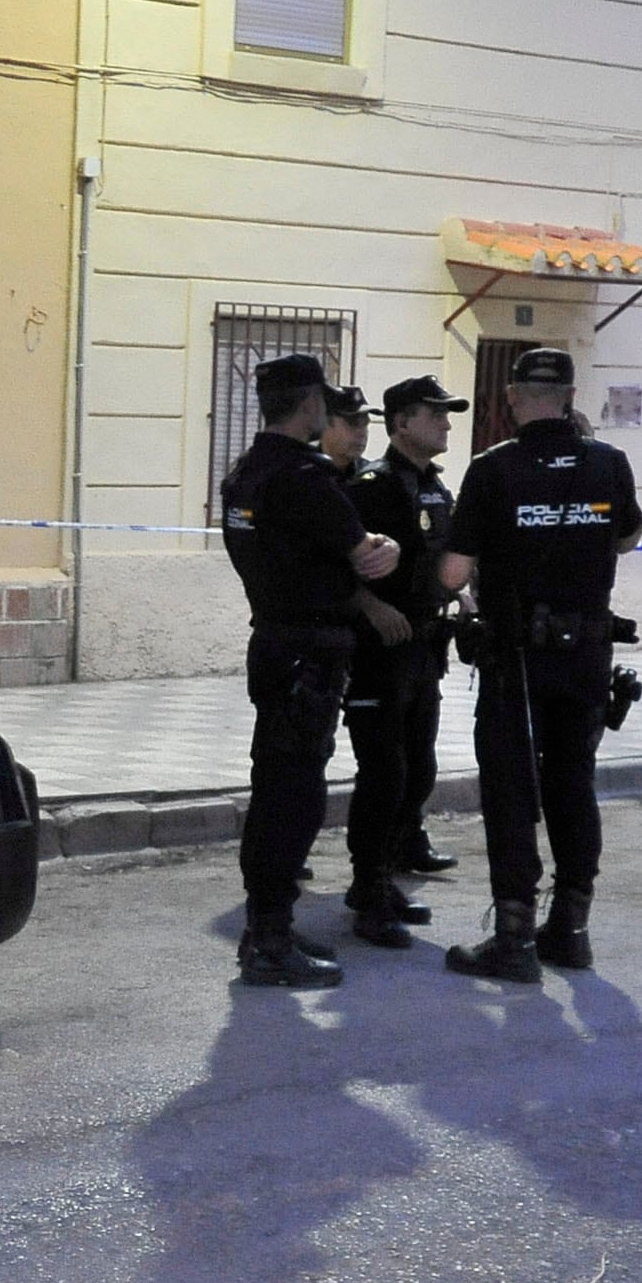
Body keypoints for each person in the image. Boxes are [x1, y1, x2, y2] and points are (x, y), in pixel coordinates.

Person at [432, 346, 642, 982]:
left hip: (516, 657)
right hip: (586, 653)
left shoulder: (494, 469)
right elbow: (630, 534)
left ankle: (514, 938)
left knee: (511, 789)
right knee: (573, 783)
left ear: (514, 398)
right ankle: (571, 931)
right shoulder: (609, 463)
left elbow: (453, 571)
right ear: (572, 397)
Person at [218, 354, 400, 987]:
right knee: (294, 798)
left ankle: (266, 928)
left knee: (273, 788)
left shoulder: (244, 475)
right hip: (309, 655)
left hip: (271, 643)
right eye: (322, 400)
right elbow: (366, 557)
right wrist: (391, 545)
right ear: (307, 407)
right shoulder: (305, 477)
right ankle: (269, 940)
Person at [325, 388, 427, 950]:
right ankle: (367, 888)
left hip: (413, 644)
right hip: (364, 647)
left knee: (411, 767)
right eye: (348, 421)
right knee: (381, 770)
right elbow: (328, 563)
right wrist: (370, 605)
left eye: (364, 421)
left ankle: (381, 881)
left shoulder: (396, 481)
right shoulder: (343, 487)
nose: (359, 431)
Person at [375, 374, 468, 893]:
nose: (445, 423)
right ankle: (377, 864)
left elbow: (443, 562)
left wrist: (464, 600)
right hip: (387, 642)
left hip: (429, 638)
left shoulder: (434, 486)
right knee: (387, 760)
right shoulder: (376, 486)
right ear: (402, 422)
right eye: (435, 414)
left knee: (421, 752)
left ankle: (409, 837)